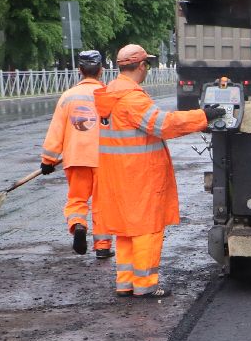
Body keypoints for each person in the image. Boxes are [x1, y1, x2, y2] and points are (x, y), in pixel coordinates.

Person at [92, 44, 219, 298]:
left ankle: (126, 282)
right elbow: (164, 125)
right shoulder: (132, 98)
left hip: (117, 176)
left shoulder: (111, 93)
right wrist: (202, 117)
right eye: (147, 65)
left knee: (126, 231)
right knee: (147, 230)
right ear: (141, 66)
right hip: (139, 177)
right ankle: (146, 284)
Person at [41, 50, 111, 258]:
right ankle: (103, 247)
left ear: (79, 71)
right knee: (103, 203)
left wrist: (48, 160)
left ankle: (78, 224)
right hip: (103, 158)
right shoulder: (107, 96)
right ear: (101, 71)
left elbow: (56, 130)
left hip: (76, 158)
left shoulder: (67, 97)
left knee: (77, 199)